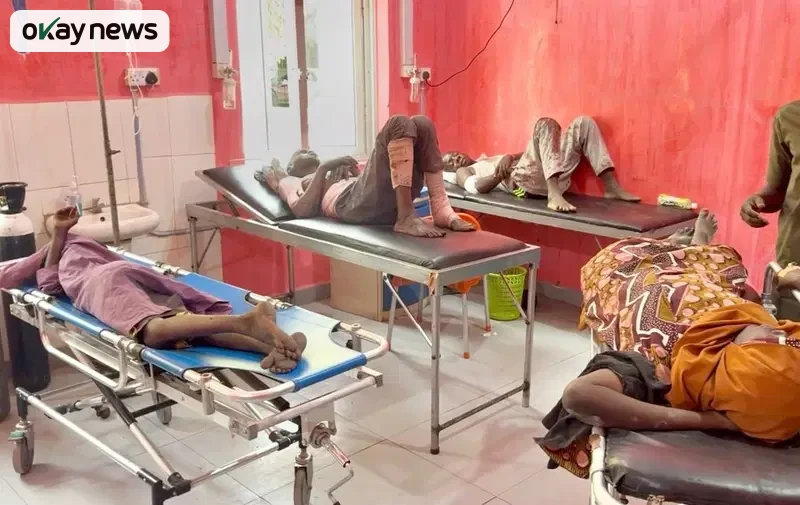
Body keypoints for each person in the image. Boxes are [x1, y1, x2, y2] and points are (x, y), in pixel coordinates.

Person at [534, 210, 800, 478]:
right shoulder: (764, 340)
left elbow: (578, 395)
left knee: (615, 262)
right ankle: (695, 248)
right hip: (715, 297)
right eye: (781, 339)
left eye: (767, 343)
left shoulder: (665, 367)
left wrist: (713, 422)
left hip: (653, 294)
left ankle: (680, 249)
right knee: (718, 276)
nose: (776, 333)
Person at [0, 207, 307, 373]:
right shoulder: (97, 249)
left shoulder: (69, 253)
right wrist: (61, 232)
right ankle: (272, 348)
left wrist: (58, 235)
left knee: (151, 332)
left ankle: (244, 322)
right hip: (135, 278)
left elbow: (49, 285)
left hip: (104, 285)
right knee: (190, 329)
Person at [254, 115, 476, 238]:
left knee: (423, 124)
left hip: (375, 202)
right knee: (399, 124)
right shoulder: (295, 180)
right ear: (291, 167)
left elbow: (372, 188)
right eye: (302, 152)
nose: (308, 150)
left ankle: (440, 209)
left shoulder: (334, 171)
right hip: (351, 205)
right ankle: (406, 218)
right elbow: (300, 209)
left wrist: (353, 173)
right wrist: (323, 168)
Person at [442, 116, 640, 212]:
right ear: (450, 170)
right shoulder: (464, 171)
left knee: (584, 123)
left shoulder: (486, 158)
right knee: (545, 124)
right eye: (451, 162)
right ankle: (554, 195)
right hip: (524, 184)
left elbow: (532, 154)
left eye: (455, 155)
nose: (456, 159)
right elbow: (474, 188)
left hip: (547, 172)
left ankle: (611, 187)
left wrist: (509, 156)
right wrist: (499, 174)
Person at [740, 100, 800, 318]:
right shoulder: (790, 116)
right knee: (789, 332)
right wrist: (759, 200)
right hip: (795, 257)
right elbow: (777, 189)